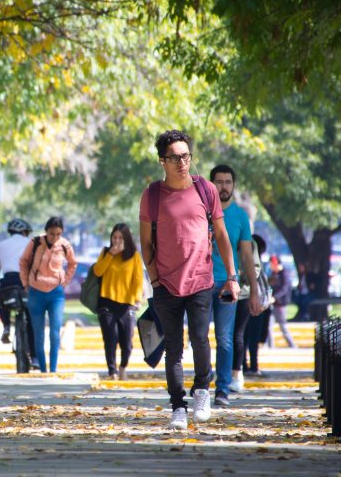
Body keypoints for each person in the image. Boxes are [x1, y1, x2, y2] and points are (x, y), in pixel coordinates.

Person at [139, 129, 239, 431]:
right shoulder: (153, 195)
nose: (182, 162)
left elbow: (220, 235)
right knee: (173, 347)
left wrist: (231, 277)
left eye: (186, 156)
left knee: (200, 340)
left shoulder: (205, 190)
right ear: (162, 161)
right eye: (174, 158)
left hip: (200, 281)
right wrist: (154, 278)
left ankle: (202, 392)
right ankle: (177, 406)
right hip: (166, 284)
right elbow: (145, 243)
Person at [209, 164, 261, 406]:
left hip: (228, 284)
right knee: (198, 337)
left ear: (233, 185)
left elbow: (247, 257)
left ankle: (222, 389)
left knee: (225, 338)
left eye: (228, 182)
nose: (224, 186)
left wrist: (254, 291)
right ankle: (202, 382)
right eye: (219, 182)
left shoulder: (240, 216)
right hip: (199, 282)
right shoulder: (202, 212)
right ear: (211, 185)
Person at [19, 216, 77, 373]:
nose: (55, 237)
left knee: (54, 332)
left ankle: (53, 369)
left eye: (58, 234)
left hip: (56, 294)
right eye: (52, 233)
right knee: (38, 334)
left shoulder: (65, 245)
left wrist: (65, 282)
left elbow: (73, 264)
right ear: (46, 231)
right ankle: (43, 370)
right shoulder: (36, 242)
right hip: (35, 292)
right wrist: (26, 283)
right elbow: (23, 262)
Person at [92, 223, 144, 381]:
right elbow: (97, 271)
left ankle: (123, 366)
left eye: (120, 238)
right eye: (114, 237)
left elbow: (138, 280)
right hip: (106, 302)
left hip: (127, 304)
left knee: (127, 342)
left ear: (127, 239)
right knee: (110, 338)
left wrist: (136, 299)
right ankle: (112, 371)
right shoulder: (105, 252)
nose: (117, 241)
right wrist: (111, 255)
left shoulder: (134, 255)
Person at [0, 218, 34, 347]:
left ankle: (6, 326)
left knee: (1, 301)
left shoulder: (0, 245)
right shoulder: (32, 243)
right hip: (26, 281)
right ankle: (34, 357)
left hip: (8, 281)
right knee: (31, 316)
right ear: (25, 232)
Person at [243, 234, 271, 376]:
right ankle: (253, 365)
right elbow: (265, 287)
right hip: (257, 304)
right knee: (252, 337)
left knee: (243, 336)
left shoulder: (245, 263)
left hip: (245, 302)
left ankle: (244, 365)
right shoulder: (257, 266)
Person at [268, 255, 296, 348]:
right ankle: (270, 347)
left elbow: (284, 289)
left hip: (280, 304)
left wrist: (275, 297)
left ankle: (292, 346)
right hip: (272, 304)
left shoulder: (284, 274)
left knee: (283, 327)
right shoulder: (273, 274)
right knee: (269, 327)